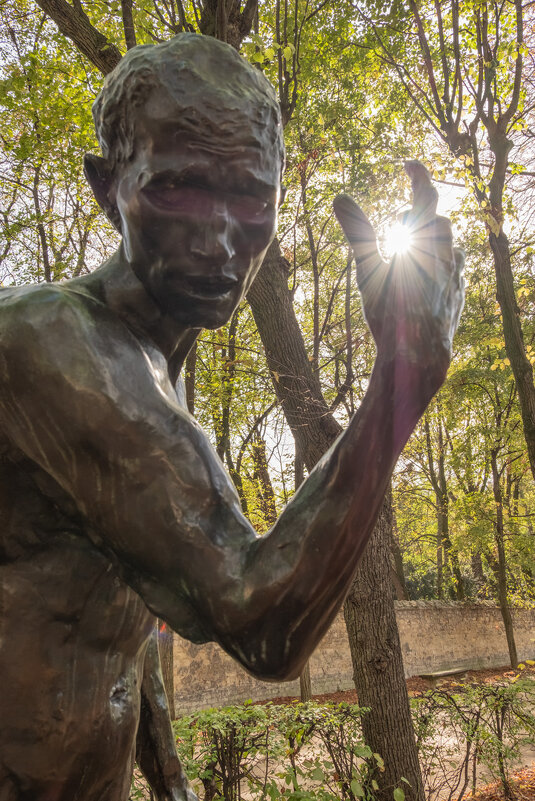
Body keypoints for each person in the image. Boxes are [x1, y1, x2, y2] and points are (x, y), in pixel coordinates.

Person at [0, 32, 464, 801]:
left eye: (250, 199)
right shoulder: (51, 343)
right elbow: (258, 622)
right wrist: (402, 380)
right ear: (104, 185)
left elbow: (113, 601)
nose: (217, 241)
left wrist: (170, 777)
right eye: (176, 190)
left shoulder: (149, 370)